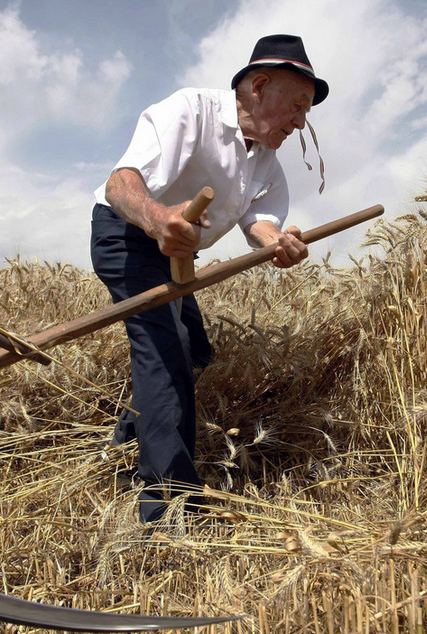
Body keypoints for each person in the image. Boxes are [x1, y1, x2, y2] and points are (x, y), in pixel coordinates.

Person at [90, 34, 329, 523]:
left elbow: (261, 223)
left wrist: (275, 245)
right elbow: (121, 184)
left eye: (306, 111)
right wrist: (158, 220)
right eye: (298, 105)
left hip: (179, 255)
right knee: (164, 347)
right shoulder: (190, 110)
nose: (301, 122)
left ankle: (129, 440)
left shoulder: (266, 162)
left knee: (194, 349)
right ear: (260, 86)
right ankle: (169, 504)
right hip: (129, 235)